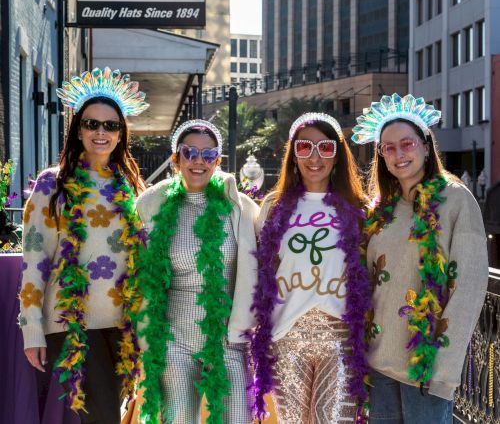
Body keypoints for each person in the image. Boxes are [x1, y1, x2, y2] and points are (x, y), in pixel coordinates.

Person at [20, 67, 148, 422]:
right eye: (92, 124)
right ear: (78, 130)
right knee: (104, 417)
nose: (100, 132)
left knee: (113, 415)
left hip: (123, 326)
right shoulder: (52, 184)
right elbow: (35, 260)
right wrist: (32, 329)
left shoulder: (129, 186)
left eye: (110, 125)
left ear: (122, 133)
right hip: (72, 323)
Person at [351, 93, 489, 423]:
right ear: (381, 155)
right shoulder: (380, 210)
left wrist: (441, 369)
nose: (399, 154)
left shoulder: (456, 200)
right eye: (389, 147)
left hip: (425, 371)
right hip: (379, 365)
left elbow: (468, 287)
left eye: (407, 144)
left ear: (426, 146)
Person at [248, 112, 371, 423]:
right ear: (293, 155)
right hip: (286, 336)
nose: (315, 157)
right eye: (305, 147)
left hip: (341, 337)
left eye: (325, 148)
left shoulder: (359, 210)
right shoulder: (273, 207)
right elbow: (256, 273)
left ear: (338, 156)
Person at [135, 119, 259, 424]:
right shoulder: (153, 204)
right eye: (189, 153)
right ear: (176, 159)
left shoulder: (240, 208)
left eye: (208, 154)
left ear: (218, 161)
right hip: (174, 340)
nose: (198, 161)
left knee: (237, 418)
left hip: (228, 340)